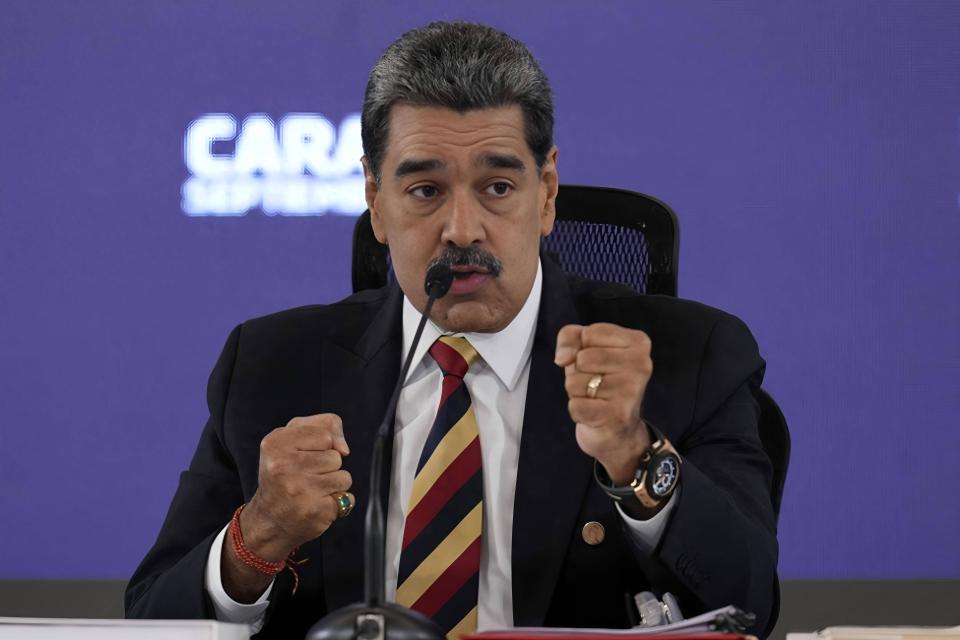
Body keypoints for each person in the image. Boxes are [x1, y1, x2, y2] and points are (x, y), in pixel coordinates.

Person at [125, 21, 778, 640]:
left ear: (547, 192)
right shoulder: (270, 366)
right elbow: (151, 620)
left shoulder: (690, 357)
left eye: (497, 187)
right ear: (376, 201)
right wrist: (258, 535)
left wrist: (635, 453)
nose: (462, 230)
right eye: (425, 191)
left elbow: (753, 604)